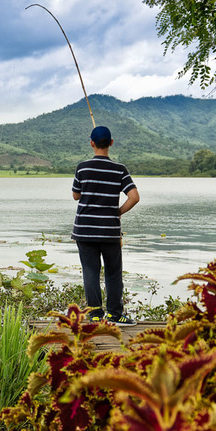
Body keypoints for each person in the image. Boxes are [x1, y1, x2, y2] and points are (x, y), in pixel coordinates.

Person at [71, 126, 140, 325]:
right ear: (111, 143)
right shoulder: (120, 169)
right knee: (113, 272)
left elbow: (76, 195)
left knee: (90, 271)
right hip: (109, 230)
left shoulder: (82, 167)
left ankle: (94, 314)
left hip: (84, 230)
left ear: (91, 143)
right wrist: (117, 212)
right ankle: (114, 315)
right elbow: (134, 197)